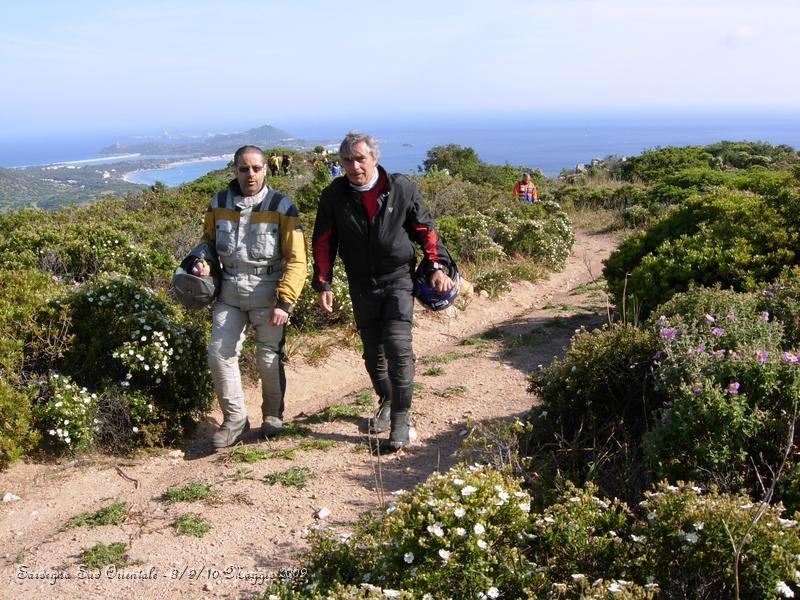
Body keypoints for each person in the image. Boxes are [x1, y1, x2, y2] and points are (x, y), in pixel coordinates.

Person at [311, 132, 454, 451]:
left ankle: (401, 418)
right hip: (360, 284)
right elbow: (322, 242)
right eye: (347, 160)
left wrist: (437, 266)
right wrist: (323, 282)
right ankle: (387, 400)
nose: (354, 166)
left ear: (374, 158)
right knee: (373, 354)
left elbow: (425, 231)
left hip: (397, 279)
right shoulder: (334, 195)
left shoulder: (401, 188)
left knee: (398, 348)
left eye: (360, 158)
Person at [190, 145, 307, 448]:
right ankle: (235, 420)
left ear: (266, 169)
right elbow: (207, 242)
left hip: (268, 294)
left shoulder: (282, 206)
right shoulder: (218, 202)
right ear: (234, 169)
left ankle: (273, 415)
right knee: (218, 353)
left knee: (268, 357)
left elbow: (297, 260)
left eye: (256, 168)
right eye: (244, 168)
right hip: (228, 292)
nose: (250, 174)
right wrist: (201, 261)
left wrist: (286, 301)